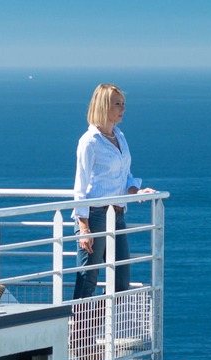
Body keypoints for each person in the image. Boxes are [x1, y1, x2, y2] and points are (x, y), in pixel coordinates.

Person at [72, 83, 156, 300]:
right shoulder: (89, 142)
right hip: (95, 216)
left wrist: (135, 191)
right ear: (103, 106)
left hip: (117, 215)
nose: (123, 109)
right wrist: (84, 228)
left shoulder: (119, 136)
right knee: (87, 280)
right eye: (117, 104)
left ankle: (89, 327)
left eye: (123, 104)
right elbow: (80, 186)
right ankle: (76, 332)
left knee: (120, 282)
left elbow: (125, 175)